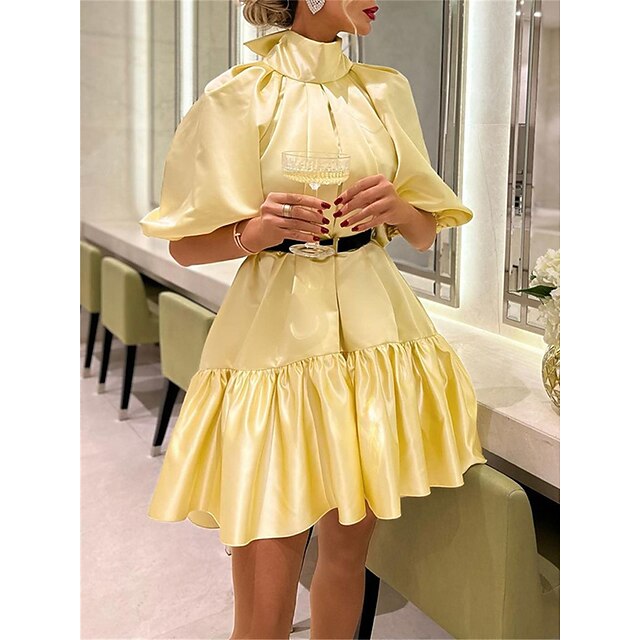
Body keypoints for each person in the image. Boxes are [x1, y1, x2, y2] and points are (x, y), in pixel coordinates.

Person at [139, 0, 488, 637]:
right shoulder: (239, 95)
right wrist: (252, 232)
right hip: (276, 336)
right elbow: (185, 246)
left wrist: (396, 208)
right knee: (267, 570)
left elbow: (422, 233)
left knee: (349, 552)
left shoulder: (384, 90)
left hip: (375, 334)